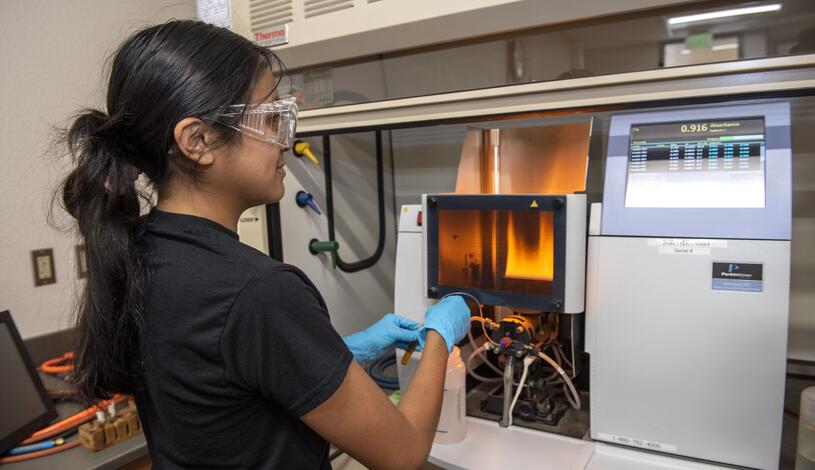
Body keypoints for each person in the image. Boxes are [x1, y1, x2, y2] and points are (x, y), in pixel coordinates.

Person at [58, 20, 472, 469]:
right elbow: (403, 454)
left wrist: (338, 353)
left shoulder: (143, 251)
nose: (286, 142)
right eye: (272, 119)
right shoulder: (258, 290)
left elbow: (222, 380)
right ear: (198, 140)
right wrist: (439, 336)